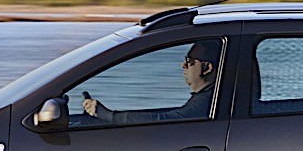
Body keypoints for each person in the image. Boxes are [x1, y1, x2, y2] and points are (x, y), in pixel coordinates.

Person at [80, 40, 221, 125]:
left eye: (190, 61)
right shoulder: (212, 96)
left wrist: (107, 116)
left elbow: (166, 120)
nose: (183, 65)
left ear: (207, 68)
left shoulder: (207, 101)